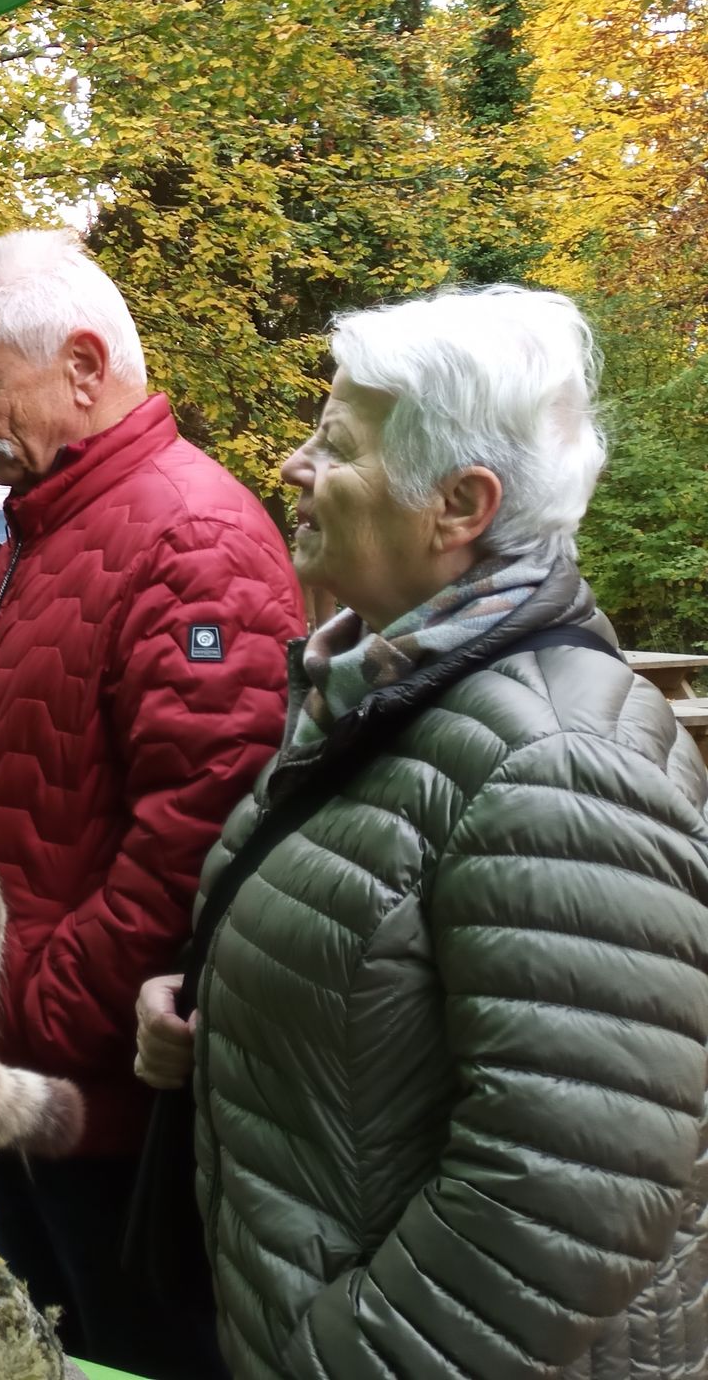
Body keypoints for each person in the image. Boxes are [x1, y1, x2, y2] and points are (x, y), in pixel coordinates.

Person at [136, 287, 708, 1380]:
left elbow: (565, 1203)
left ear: (459, 504)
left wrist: (333, 1359)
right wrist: (215, 1024)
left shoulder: (557, 763)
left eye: (336, 445)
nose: (294, 468)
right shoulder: (387, 689)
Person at [0, 228, 298, 1379]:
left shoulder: (189, 538)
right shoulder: (48, 524)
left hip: (102, 1108)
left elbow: (201, 836)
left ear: (83, 368)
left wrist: (33, 1009)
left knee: (131, 1349)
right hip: (26, 1075)